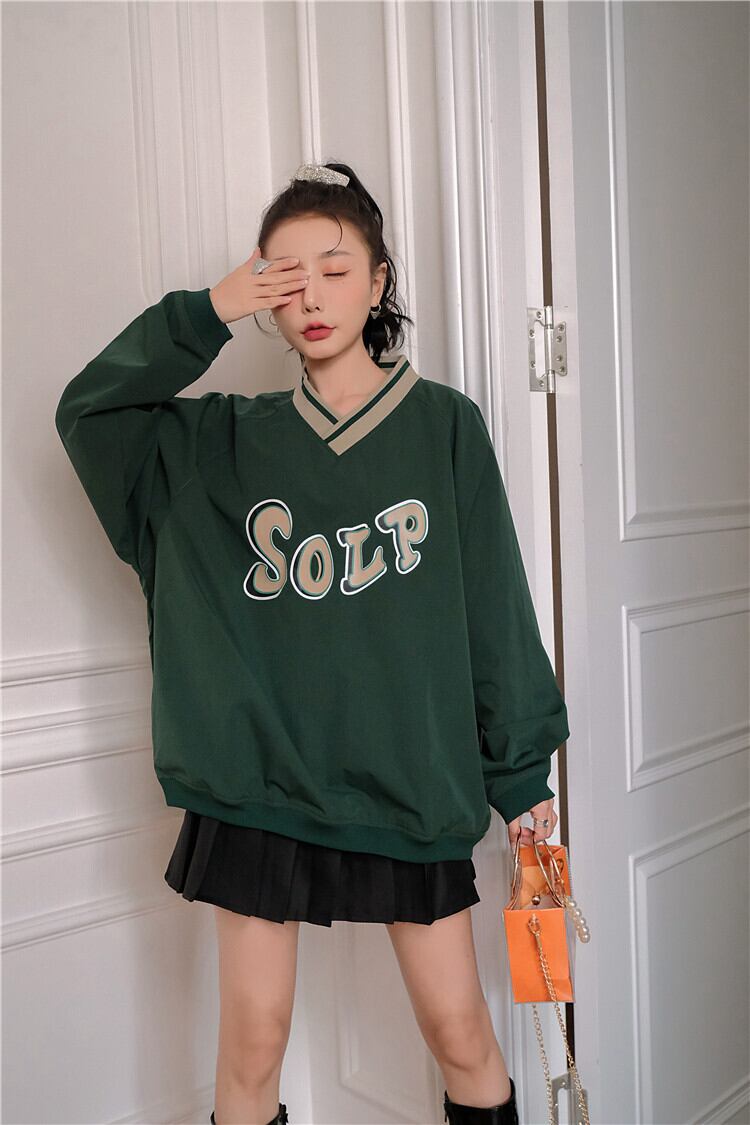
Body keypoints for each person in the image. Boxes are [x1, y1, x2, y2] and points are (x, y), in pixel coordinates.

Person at [54, 161, 569, 1125]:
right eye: (283, 277)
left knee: (461, 1031)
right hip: (263, 787)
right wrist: (206, 311)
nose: (312, 296)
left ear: (378, 282)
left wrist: (523, 777)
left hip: (408, 780)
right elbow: (88, 411)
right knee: (253, 1040)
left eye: (335, 270)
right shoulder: (212, 445)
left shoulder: (444, 427)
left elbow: (494, 609)